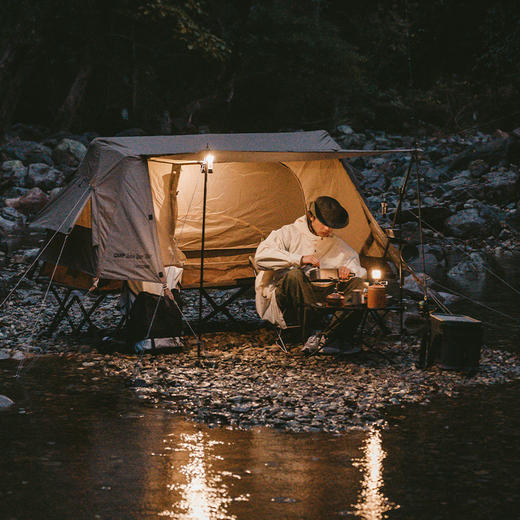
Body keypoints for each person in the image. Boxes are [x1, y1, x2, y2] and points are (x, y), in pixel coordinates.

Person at [254, 196, 366, 353]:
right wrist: (298, 259)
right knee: (294, 275)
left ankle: (331, 336)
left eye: (331, 226)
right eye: (324, 224)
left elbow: (356, 266)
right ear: (311, 217)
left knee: (359, 285)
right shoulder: (288, 233)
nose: (328, 229)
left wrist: (348, 271)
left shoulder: (335, 242)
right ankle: (311, 331)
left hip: (323, 295)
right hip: (291, 295)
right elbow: (261, 257)